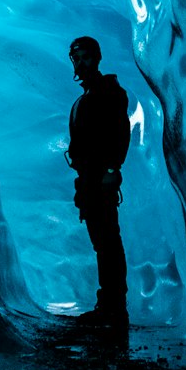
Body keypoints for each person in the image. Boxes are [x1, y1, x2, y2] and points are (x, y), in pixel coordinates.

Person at [66, 35, 130, 326]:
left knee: (108, 242)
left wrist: (111, 169)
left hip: (101, 178)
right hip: (89, 180)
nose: (81, 63)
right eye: (76, 59)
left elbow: (120, 132)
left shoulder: (109, 92)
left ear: (97, 58)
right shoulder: (86, 98)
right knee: (102, 242)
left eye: (85, 57)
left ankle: (114, 306)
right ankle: (108, 304)